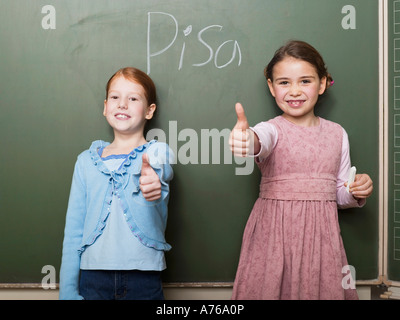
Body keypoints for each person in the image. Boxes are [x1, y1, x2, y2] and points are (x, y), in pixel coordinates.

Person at [229, 40, 373, 300]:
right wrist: (246, 140)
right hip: (273, 237)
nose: (294, 91)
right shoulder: (271, 129)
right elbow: (258, 141)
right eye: (284, 82)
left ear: (322, 84)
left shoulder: (337, 134)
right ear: (272, 88)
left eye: (305, 81)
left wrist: (354, 190)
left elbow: (338, 193)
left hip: (322, 240)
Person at [59, 67, 174, 300]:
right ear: (105, 107)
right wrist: (68, 291)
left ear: (150, 110)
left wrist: (154, 184)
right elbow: (73, 232)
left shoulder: (156, 152)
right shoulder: (85, 162)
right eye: (115, 97)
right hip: (92, 278)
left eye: (133, 98)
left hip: (144, 277)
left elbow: (161, 169)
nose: (122, 104)